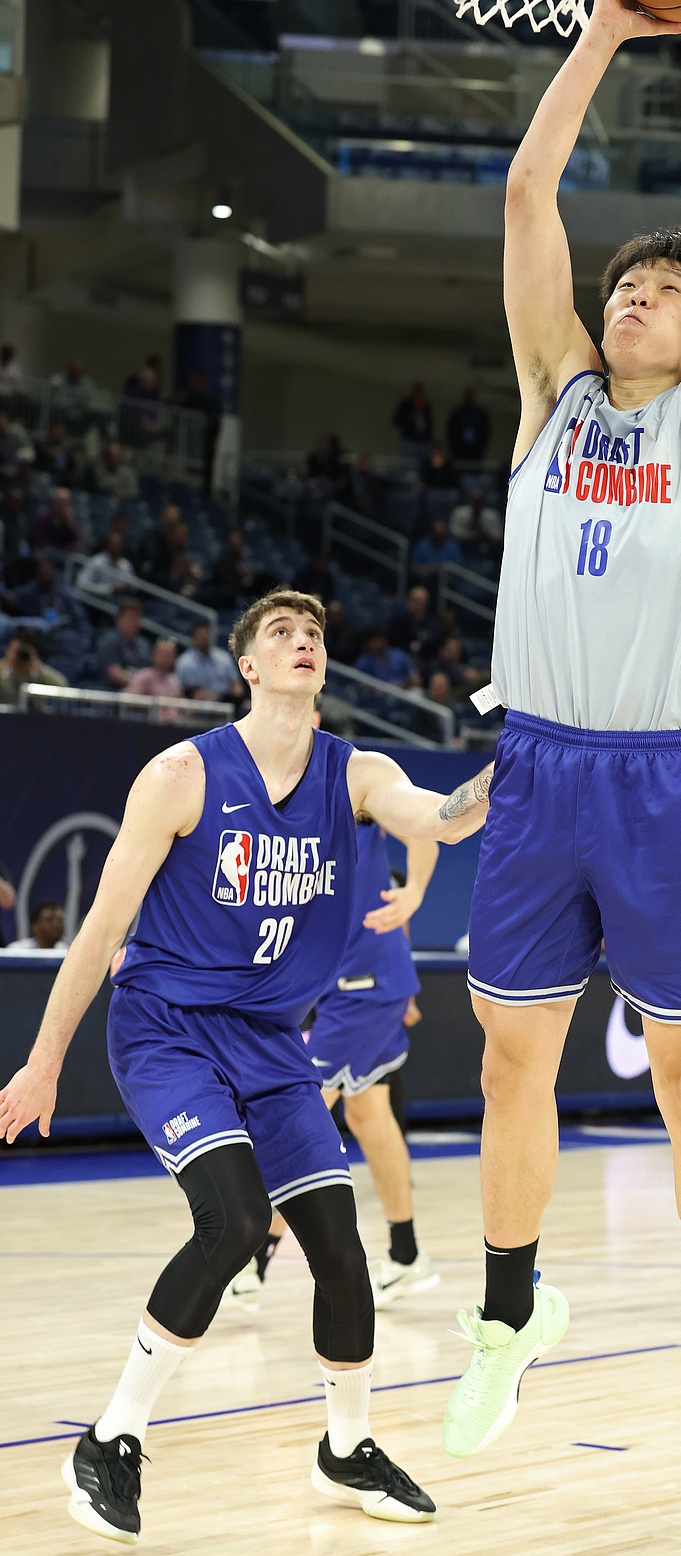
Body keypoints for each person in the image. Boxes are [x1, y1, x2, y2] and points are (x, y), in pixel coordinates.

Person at [444, 0, 681, 1529]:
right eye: (626, 285)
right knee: (510, 1064)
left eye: (662, 292)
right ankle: (509, 1313)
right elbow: (527, 197)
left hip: (655, 779)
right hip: (536, 766)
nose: (635, 297)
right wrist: (600, 32)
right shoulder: (552, 397)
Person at [0, 588, 494, 1543]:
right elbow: (101, 928)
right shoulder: (181, 775)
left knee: (339, 1249)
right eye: (281, 632)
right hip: (167, 1029)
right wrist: (43, 1062)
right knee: (231, 1223)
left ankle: (345, 1449)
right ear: (249, 668)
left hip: (270, 1041)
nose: (303, 641)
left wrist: (517, 762)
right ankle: (110, 1438)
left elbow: (440, 818)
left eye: (314, 632)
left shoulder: (356, 772)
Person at [231, 815, 441, 1309]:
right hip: (349, 989)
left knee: (297, 1113)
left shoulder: (355, 790)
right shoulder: (278, 811)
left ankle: (255, 1257)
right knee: (369, 1117)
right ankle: (407, 1256)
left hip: (364, 990)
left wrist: (413, 892)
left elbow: (423, 830)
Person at [175, 617, 243, 704]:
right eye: (200, 635)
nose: (204, 638)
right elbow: (178, 689)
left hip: (225, 701)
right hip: (196, 704)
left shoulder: (224, 657)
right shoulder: (184, 662)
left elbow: (237, 685)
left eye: (206, 634)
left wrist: (237, 697)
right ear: (193, 638)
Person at [175, 370, 222, 497]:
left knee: (205, 468)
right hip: (190, 442)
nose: (197, 383)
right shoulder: (188, 397)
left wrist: (205, 424)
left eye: (200, 381)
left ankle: (205, 494)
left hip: (206, 442)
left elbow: (216, 421)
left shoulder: (211, 399)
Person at [96, 599, 151, 691]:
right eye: (130, 618)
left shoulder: (144, 644)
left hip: (139, 691)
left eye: (137, 618)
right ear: (119, 620)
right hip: (112, 690)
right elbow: (112, 671)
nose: (133, 622)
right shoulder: (108, 640)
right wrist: (137, 685)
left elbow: (149, 670)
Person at [0, 635, 67, 705]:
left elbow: (62, 685)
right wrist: (6, 661)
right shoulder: (3, 676)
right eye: (16, 651)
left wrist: (38, 665)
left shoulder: (38, 676)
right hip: (7, 711)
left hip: (34, 712)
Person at [388, 585, 441, 665]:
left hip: (426, 661)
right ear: (409, 601)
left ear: (427, 604)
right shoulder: (399, 621)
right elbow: (394, 643)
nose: (418, 604)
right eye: (415, 600)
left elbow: (435, 643)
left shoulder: (433, 623)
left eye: (421, 602)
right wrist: (410, 646)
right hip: (403, 659)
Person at [77, 531, 140, 597]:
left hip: (117, 599)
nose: (116, 548)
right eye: (114, 545)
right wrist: (108, 589)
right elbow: (81, 583)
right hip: (93, 598)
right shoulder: (96, 562)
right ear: (107, 545)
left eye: (119, 545)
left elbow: (135, 586)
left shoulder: (126, 564)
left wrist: (126, 588)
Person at [126, 637, 185, 707]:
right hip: (150, 714)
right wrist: (157, 702)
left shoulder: (175, 680)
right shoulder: (143, 676)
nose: (166, 658)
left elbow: (182, 706)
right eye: (163, 654)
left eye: (169, 654)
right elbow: (130, 702)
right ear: (153, 654)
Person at [449, 490, 503, 559]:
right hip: (464, 546)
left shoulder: (492, 515)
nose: (477, 504)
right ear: (470, 500)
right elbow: (453, 532)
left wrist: (483, 532)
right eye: (475, 501)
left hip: (488, 548)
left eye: (479, 501)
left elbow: (498, 536)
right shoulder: (459, 513)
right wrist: (470, 536)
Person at [410, 518, 462, 587]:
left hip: (446, 581)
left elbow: (457, 568)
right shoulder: (423, 544)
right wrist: (429, 570)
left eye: (441, 532)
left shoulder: (452, 545)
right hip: (425, 580)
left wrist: (442, 569)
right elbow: (414, 567)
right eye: (437, 532)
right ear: (432, 532)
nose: (439, 534)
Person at [30, 486, 82, 553]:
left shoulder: (69, 520)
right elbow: (39, 541)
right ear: (53, 502)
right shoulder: (42, 516)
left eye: (64, 503)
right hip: (46, 553)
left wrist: (69, 525)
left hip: (64, 555)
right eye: (59, 502)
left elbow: (76, 543)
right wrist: (60, 549)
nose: (60, 506)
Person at [447, 388, 491, 461]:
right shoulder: (457, 414)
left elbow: (485, 432)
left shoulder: (480, 414)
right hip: (459, 450)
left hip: (476, 450)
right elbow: (452, 432)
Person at [392, 382, 432, 457]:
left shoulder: (426, 405)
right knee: (409, 461)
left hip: (424, 441)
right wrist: (410, 418)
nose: (418, 393)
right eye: (416, 390)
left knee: (423, 461)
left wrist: (429, 438)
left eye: (420, 390)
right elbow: (396, 420)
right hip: (409, 440)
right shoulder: (405, 404)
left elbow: (430, 424)